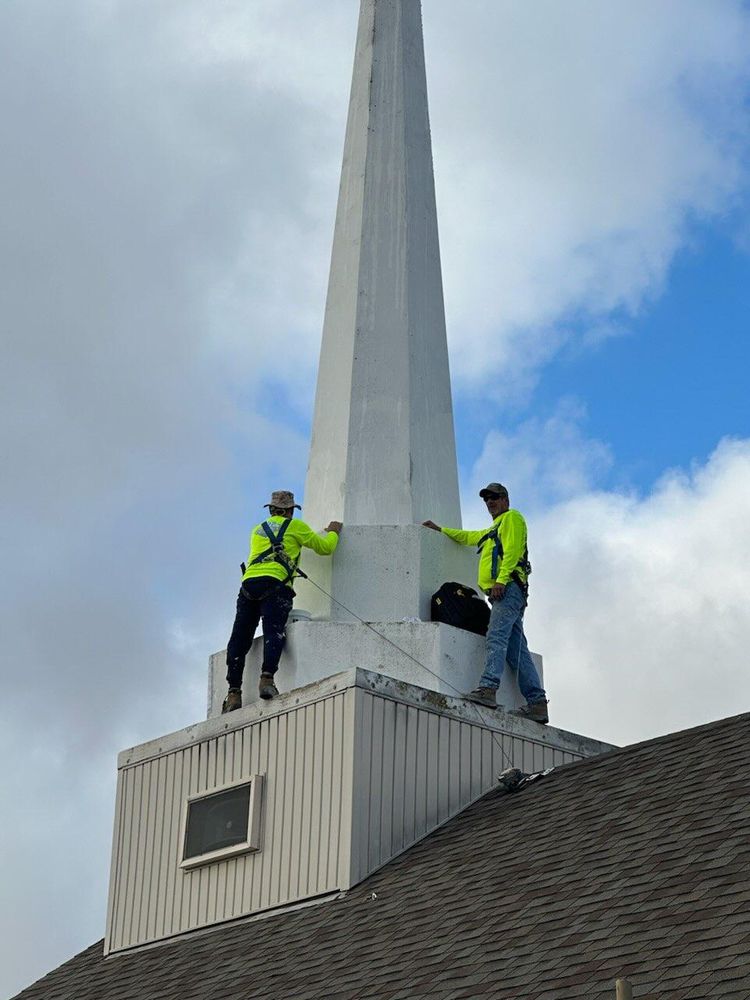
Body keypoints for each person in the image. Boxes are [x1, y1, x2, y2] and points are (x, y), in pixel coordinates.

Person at [422, 482, 549, 723]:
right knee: (516, 650)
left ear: (505, 500)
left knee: (496, 637)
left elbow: (511, 552)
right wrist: (441, 530)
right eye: (486, 499)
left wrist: (501, 580)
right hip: (507, 592)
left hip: (508, 589)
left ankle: (488, 689)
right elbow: (469, 536)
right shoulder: (493, 530)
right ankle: (537, 703)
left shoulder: (512, 518)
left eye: (495, 497)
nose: (490, 502)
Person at [223, 490, 342, 712]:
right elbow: (325, 549)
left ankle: (233, 693)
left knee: (239, 637)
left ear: (270, 509)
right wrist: (334, 532)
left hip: (249, 584)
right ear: (290, 511)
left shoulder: (257, 530)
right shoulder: (296, 527)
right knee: (273, 631)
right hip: (276, 584)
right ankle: (267, 679)